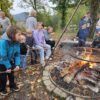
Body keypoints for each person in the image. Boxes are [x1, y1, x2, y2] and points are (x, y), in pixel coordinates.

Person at [0, 25, 21, 96]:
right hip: (2, 62)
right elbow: (3, 56)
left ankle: (12, 85)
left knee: (11, 75)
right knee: (3, 77)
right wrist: (8, 67)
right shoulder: (3, 42)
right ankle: (2, 89)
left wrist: (17, 64)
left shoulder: (17, 42)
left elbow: (17, 54)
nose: (20, 36)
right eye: (19, 34)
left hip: (10, 60)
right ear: (12, 35)